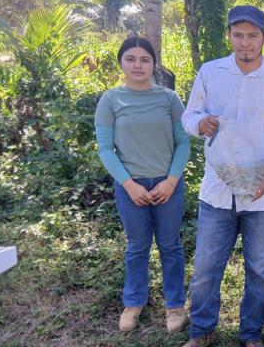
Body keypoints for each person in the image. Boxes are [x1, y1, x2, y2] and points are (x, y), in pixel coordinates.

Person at [180, 5, 264, 347]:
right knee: (205, 268)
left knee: (260, 271)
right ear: (229, 36)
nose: (245, 43)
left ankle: (251, 334)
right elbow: (190, 116)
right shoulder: (211, 72)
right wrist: (199, 124)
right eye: (238, 35)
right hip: (218, 191)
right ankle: (201, 330)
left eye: (252, 36)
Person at [95, 36, 190, 333]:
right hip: (130, 188)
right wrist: (129, 185)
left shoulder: (169, 98)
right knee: (137, 247)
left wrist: (171, 180)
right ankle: (134, 302)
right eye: (131, 59)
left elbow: (183, 142)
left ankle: (174, 304)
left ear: (153, 63)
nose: (138, 65)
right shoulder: (111, 100)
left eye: (145, 59)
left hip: (167, 187)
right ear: (121, 62)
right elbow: (105, 150)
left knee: (171, 246)